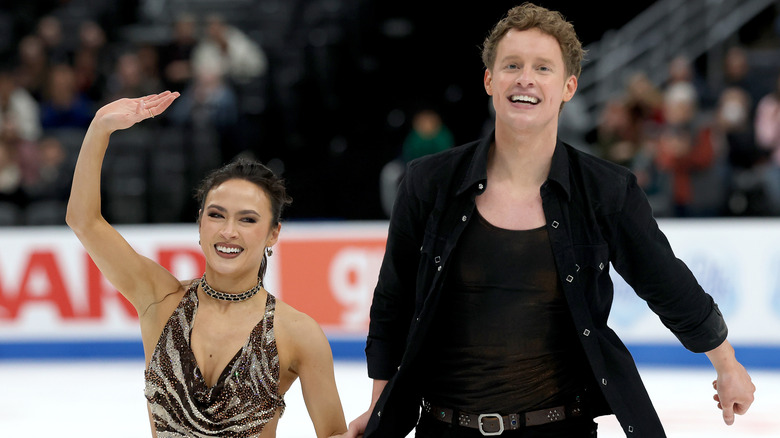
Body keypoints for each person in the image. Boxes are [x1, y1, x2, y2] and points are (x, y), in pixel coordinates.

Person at [346, 3, 755, 438]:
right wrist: (380, 404)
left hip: (562, 427)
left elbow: (667, 283)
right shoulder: (429, 183)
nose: (525, 78)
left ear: (568, 87)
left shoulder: (606, 191)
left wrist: (726, 362)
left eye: (543, 67)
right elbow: (393, 300)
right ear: (489, 80)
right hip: (446, 427)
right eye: (512, 65)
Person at [66, 91, 348, 437]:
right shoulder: (160, 299)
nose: (228, 232)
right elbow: (84, 221)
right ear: (200, 223)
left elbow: (335, 435)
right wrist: (100, 128)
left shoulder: (298, 333)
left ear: (273, 233)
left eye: (247, 220)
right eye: (216, 215)